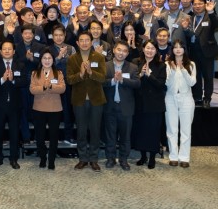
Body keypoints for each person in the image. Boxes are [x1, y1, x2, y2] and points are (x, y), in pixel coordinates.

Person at [66, 32, 106, 172]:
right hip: (79, 100)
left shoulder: (99, 57)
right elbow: (69, 80)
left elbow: (103, 78)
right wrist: (81, 74)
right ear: (77, 43)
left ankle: (94, 159)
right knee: (81, 131)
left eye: (87, 40)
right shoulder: (72, 59)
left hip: (96, 100)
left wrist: (90, 72)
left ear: (91, 42)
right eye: (81, 40)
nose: (84, 43)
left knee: (95, 131)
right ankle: (82, 159)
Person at [103, 41, 140, 171]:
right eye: (119, 50)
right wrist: (113, 80)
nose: (121, 53)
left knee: (125, 136)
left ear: (127, 53)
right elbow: (100, 82)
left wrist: (123, 80)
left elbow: (137, 84)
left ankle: (124, 159)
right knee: (110, 135)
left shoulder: (133, 67)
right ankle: (110, 158)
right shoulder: (105, 66)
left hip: (126, 108)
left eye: (124, 51)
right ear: (114, 50)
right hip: (109, 106)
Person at [0, 40, 27, 169]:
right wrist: (2, 79)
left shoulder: (20, 65)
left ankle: (13, 158)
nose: (7, 51)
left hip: (15, 105)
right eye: (4, 49)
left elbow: (25, 81)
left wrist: (13, 80)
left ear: (14, 51)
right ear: (0, 51)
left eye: (9, 49)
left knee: (14, 133)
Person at [132, 40, 167, 169]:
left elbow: (161, 85)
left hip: (154, 104)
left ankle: (152, 157)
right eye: (147, 48)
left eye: (152, 48)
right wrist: (141, 75)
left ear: (156, 50)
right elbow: (132, 81)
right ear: (143, 49)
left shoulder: (161, 65)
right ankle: (143, 156)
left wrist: (149, 75)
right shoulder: (136, 62)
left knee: (153, 131)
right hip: (139, 103)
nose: (149, 50)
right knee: (140, 130)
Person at [29, 48, 66, 170]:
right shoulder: (35, 73)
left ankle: (51, 160)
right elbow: (32, 89)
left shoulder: (58, 73)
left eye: (49, 58)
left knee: (53, 137)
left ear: (53, 60)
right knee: (40, 137)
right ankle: (43, 157)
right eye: (44, 58)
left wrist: (51, 86)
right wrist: (43, 88)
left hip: (55, 109)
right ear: (41, 60)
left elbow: (62, 88)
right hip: (39, 108)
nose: (47, 60)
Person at [165, 40, 197, 168]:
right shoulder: (167, 64)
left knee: (186, 130)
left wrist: (183, 69)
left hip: (186, 98)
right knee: (172, 129)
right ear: (172, 49)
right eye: (175, 47)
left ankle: (184, 157)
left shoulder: (191, 64)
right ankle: (173, 156)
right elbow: (167, 84)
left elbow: (192, 82)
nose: (178, 49)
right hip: (170, 98)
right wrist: (173, 70)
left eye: (180, 47)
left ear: (184, 49)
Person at [189, 0, 218, 108]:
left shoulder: (210, 16)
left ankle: (207, 98)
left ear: (204, 5)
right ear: (192, 6)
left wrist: (211, 11)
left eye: (200, 4)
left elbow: (216, 24)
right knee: (195, 76)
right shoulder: (190, 18)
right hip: (193, 51)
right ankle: (197, 98)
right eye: (195, 4)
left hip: (207, 51)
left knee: (208, 76)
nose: (197, 6)